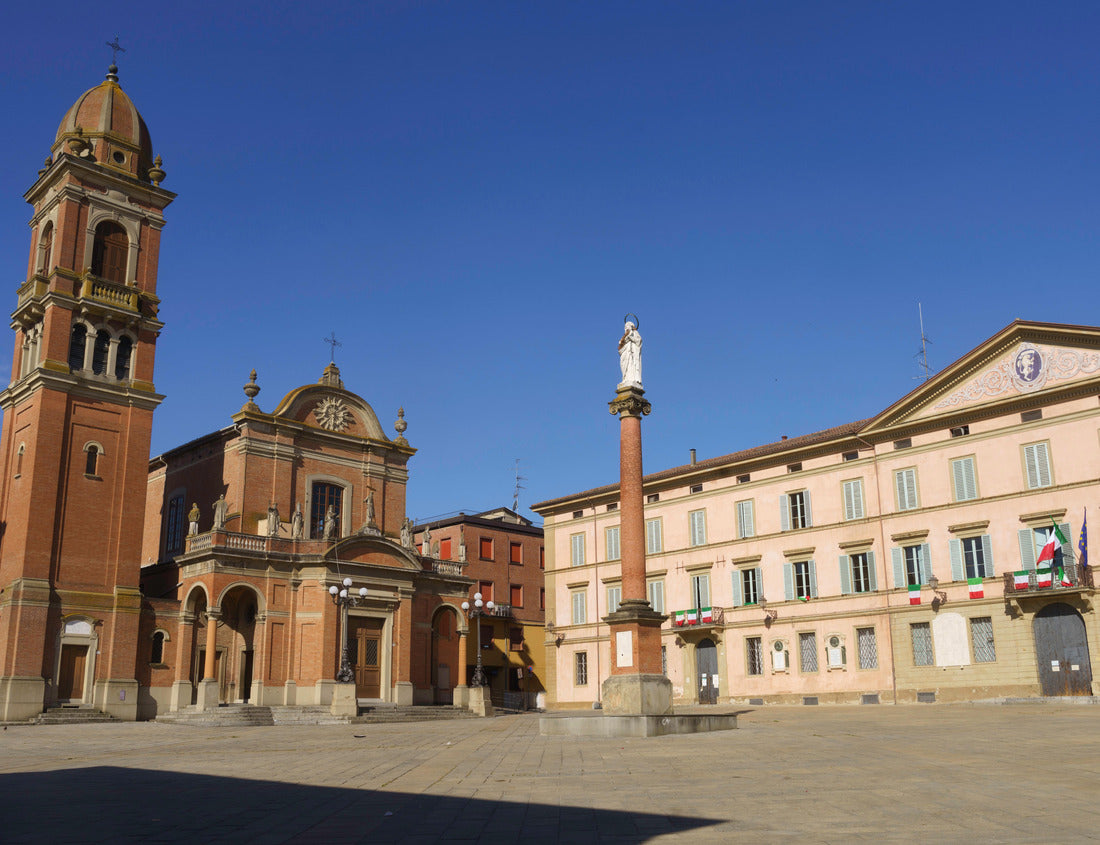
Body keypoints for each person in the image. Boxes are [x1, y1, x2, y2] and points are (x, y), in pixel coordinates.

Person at [618, 320, 642, 387]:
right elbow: (619, 347)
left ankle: (632, 379)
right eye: (625, 327)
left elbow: (638, 341)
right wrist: (625, 336)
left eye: (628, 327)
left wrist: (630, 337)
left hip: (632, 354)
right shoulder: (624, 337)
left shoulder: (635, 334)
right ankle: (625, 379)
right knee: (625, 366)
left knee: (631, 365)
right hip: (625, 354)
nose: (626, 329)